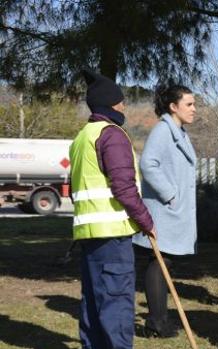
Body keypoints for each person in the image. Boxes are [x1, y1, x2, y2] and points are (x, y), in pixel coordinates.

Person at [70, 69, 156, 349]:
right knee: (116, 308)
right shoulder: (112, 135)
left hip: (89, 236)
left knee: (93, 307)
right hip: (112, 237)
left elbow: (74, 189)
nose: (124, 107)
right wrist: (146, 221)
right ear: (111, 105)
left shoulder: (83, 137)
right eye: (121, 102)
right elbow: (124, 187)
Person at [132, 84, 197, 338]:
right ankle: (157, 323)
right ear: (173, 106)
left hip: (172, 210)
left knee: (163, 262)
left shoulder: (179, 131)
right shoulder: (163, 130)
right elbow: (147, 164)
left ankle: (158, 320)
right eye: (189, 104)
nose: (194, 109)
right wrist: (170, 194)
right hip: (163, 209)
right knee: (159, 261)